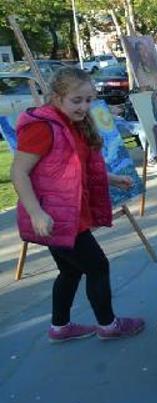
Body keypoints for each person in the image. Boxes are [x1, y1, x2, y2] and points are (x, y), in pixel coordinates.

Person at [11, 67, 144, 343]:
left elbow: (73, 168)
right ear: (57, 97)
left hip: (70, 212)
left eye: (88, 100)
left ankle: (59, 327)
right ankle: (108, 325)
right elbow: (19, 172)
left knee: (71, 269)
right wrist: (36, 212)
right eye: (77, 100)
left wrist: (112, 178)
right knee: (97, 267)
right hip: (55, 216)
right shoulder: (42, 127)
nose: (84, 106)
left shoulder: (73, 124)